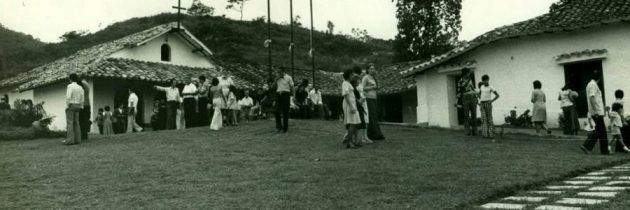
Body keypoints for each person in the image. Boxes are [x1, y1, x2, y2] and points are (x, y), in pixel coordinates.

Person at [581, 71, 609, 155]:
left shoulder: (591, 84)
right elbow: (592, 98)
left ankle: (604, 150)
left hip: (597, 111)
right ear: (599, 78)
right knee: (600, 131)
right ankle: (587, 145)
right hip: (596, 112)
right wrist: (596, 110)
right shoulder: (593, 85)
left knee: (601, 131)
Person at [63, 73, 84, 145]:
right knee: (76, 123)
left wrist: (67, 105)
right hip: (78, 105)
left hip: (72, 105)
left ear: (70, 79)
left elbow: (68, 97)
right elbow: (82, 98)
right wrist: (81, 106)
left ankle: (70, 140)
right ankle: (78, 139)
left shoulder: (70, 86)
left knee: (70, 123)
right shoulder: (80, 87)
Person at [342, 69, 361, 149]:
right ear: (349, 75)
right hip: (349, 104)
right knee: (352, 123)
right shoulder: (345, 83)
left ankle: (351, 140)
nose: (353, 76)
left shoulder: (348, 83)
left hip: (352, 103)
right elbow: (346, 95)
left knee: (356, 123)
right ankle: (349, 142)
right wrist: (351, 106)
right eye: (352, 74)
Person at [457, 68, 478, 136]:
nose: (469, 74)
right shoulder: (460, 81)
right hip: (465, 97)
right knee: (466, 115)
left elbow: (472, 88)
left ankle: (475, 131)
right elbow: (460, 91)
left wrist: (476, 97)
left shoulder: (470, 80)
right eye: (468, 73)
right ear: (465, 73)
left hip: (472, 97)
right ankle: (467, 131)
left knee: (474, 115)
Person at [352, 73, 373, 144]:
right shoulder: (355, 86)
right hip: (360, 102)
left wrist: (364, 94)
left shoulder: (361, 84)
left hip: (364, 102)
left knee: (366, 119)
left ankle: (365, 136)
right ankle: (361, 137)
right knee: (362, 119)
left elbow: (363, 91)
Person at [478, 75, 500, 139]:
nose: (484, 81)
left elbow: (497, 95)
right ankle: (484, 134)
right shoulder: (481, 87)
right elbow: (479, 95)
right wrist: (480, 98)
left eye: (486, 80)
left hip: (488, 103)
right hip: (482, 103)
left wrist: (491, 101)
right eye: (483, 80)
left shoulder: (491, 87)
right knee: (483, 119)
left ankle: (490, 134)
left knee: (489, 119)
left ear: (488, 80)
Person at [274, 68, 294, 133]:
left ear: (283, 72)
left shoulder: (288, 77)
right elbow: (272, 86)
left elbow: (292, 87)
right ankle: (279, 127)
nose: (279, 73)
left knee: (285, 112)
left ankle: (285, 129)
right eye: (278, 72)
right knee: (277, 111)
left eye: (280, 72)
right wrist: (276, 80)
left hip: (286, 95)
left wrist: (294, 96)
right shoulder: (277, 78)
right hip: (278, 94)